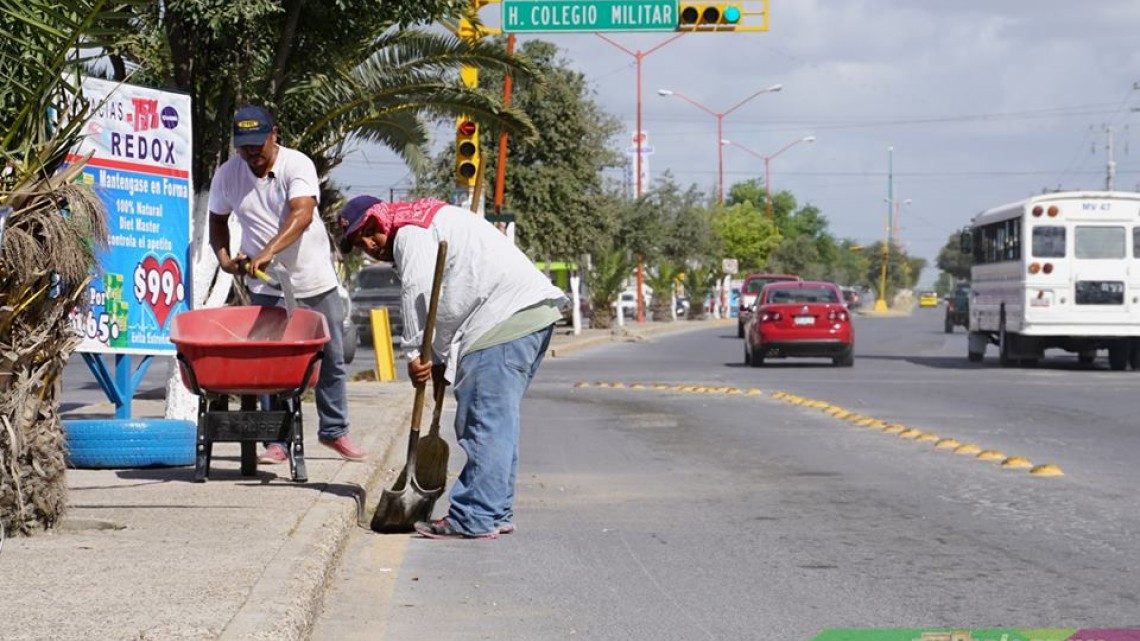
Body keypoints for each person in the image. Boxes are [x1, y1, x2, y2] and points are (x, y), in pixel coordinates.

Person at [337, 195, 566, 539]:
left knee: (482, 421)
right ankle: (494, 510)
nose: (371, 244)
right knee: (497, 423)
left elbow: (419, 294)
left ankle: (474, 516)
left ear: (381, 218)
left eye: (371, 231)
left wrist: (416, 353)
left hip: (503, 318)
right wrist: (442, 359)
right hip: (525, 317)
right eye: (360, 242)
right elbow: (445, 300)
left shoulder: (410, 233)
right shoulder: (423, 222)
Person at [208, 105, 365, 463]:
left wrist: (267, 251)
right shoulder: (228, 175)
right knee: (271, 365)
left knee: (330, 357)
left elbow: (303, 213)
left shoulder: (297, 165)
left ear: (274, 134)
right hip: (267, 285)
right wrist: (224, 258)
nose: (252, 154)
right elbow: (217, 220)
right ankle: (276, 440)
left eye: (258, 146)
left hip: (312, 279)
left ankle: (334, 431)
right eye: (244, 147)